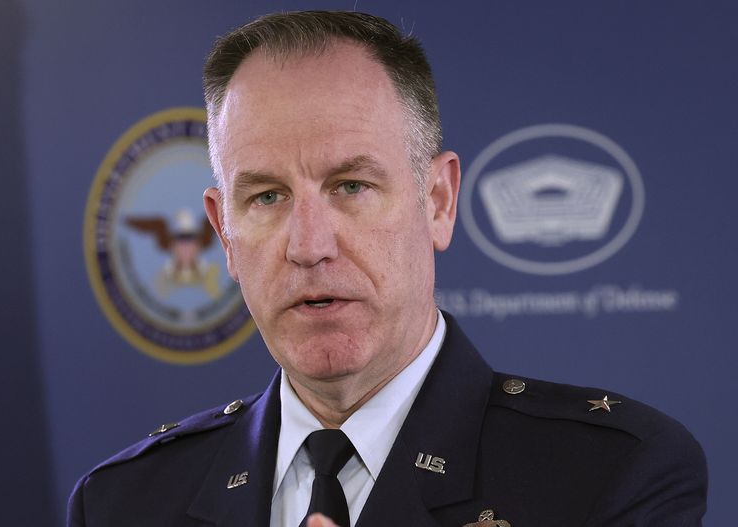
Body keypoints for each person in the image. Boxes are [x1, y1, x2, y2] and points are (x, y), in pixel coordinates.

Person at [68, 11, 707, 527]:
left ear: (438, 202)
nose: (309, 246)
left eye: (351, 186)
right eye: (266, 197)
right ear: (223, 234)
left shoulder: (609, 475)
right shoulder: (124, 503)